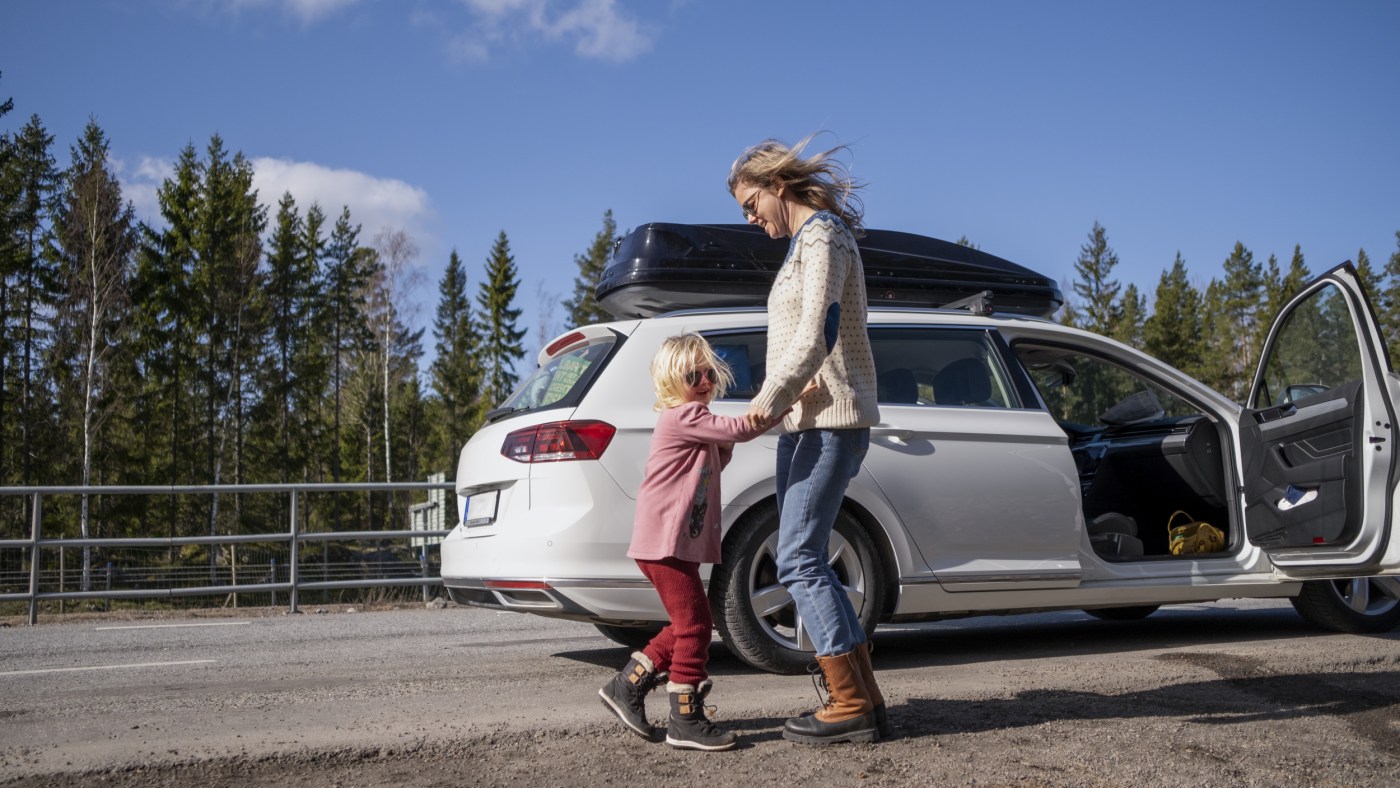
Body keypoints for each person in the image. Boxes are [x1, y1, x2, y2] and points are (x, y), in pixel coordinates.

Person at [728, 134, 887, 745]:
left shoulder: (822, 236)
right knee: (806, 555)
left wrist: (766, 401)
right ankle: (863, 696)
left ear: (778, 186)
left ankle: (849, 703)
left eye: (752, 204)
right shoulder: (804, 244)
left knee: (796, 558)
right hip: (806, 421)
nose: (750, 219)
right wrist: (784, 402)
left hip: (830, 421)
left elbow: (819, 329)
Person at [598, 333, 780, 751]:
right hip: (664, 544)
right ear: (671, 382)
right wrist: (780, 404)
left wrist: (724, 447)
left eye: (709, 373)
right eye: (692, 375)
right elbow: (741, 428)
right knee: (695, 625)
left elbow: (715, 458)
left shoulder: (695, 423)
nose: (704, 381)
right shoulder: (683, 415)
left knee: (687, 623)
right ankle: (684, 718)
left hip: (671, 543)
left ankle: (627, 685)